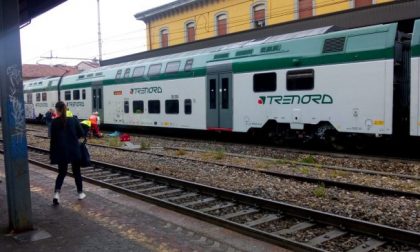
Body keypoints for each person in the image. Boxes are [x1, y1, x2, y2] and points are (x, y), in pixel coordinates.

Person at [50, 101, 86, 205]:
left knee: (61, 173)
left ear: (57, 110)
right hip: (74, 150)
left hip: (62, 151)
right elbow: (81, 133)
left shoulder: (54, 122)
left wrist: (53, 154)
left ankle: (56, 194)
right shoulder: (73, 120)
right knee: (76, 172)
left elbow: (53, 139)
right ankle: (80, 193)